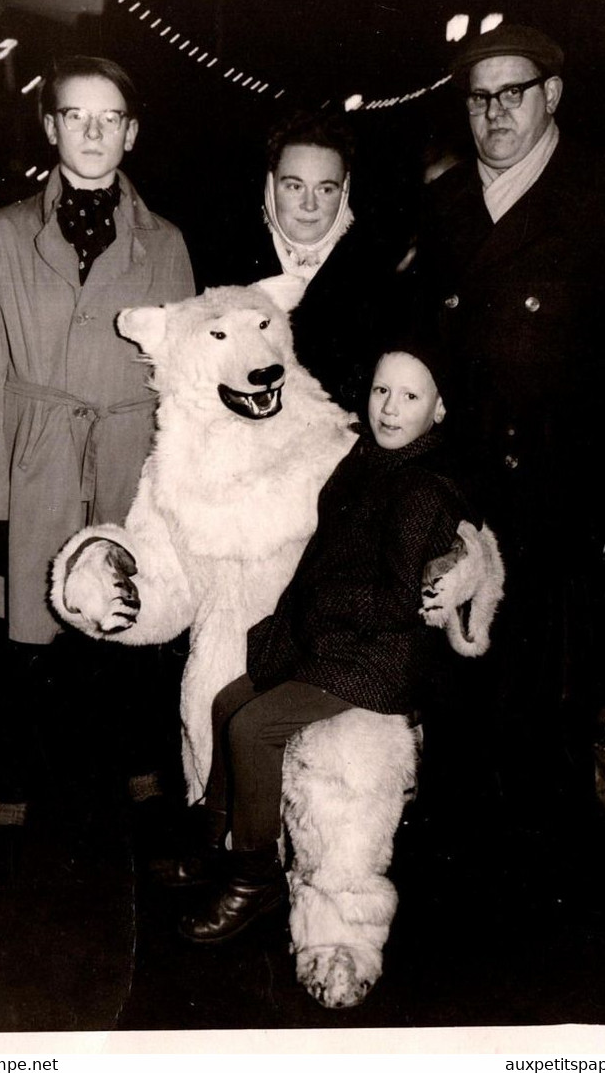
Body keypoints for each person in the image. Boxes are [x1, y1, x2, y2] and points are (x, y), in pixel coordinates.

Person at [0, 55, 195, 880]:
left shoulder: (166, 244)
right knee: (23, 649)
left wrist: (172, 499)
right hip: (34, 466)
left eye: (109, 120)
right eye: (74, 117)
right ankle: (12, 805)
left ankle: (141, 790)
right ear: (50, 126)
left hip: (129, 464)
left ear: (131, 132)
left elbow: (184, 382)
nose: (91, 134)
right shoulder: (0, 234)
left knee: (129, 641)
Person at [408, 23, 605, 840]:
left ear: (553, 96)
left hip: (560, 501)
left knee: (544, 726)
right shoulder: (441, 206)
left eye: (514, 93)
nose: (495, 113)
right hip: (460, 493)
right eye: (479, 97)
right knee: (459, 712)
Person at [165, 337, 473, 945]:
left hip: (375, 655)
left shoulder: (423, 487)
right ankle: (218, 842)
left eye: (410, 396)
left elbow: (397, 598)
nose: (389, 407)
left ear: (439, 409)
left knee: (255, 726)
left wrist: (318, 616)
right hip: (329, 637)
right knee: (228, 701)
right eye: (382, 389)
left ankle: (254, 879)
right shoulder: (367, 457)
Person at [197, 110, 404, 414]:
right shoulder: (224, 264)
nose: (309, 205)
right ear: (271, 185)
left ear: (345, 190)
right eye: (294, 186)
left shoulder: (379, 274)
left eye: (325, 189)